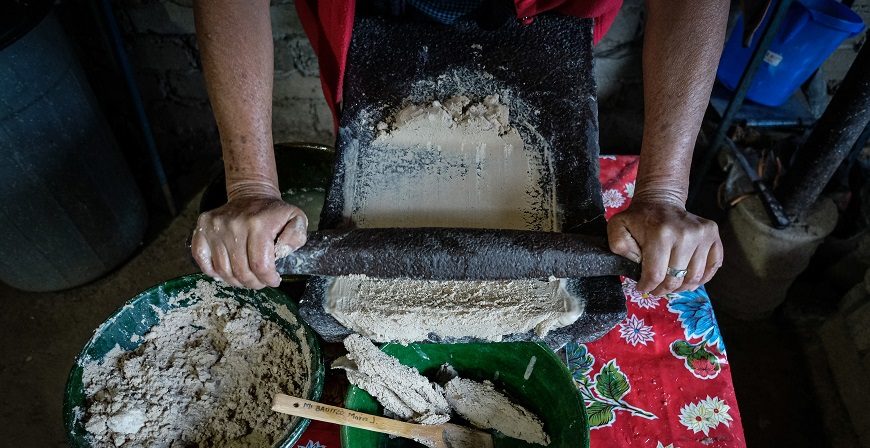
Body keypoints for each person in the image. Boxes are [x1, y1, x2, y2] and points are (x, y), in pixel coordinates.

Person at [190, 0, 726, 296]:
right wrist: (251, 184)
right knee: (373, 151)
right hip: (377, 12)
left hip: (545, 11)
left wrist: (662, 191)